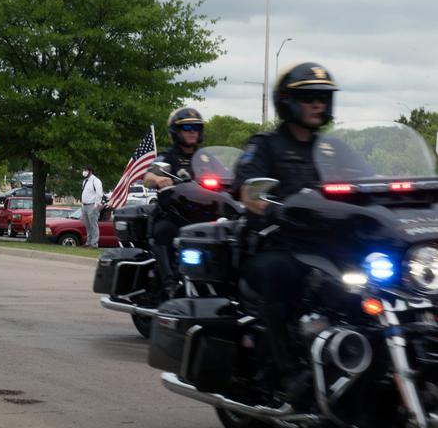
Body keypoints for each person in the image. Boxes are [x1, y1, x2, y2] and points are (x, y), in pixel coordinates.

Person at [231, 61, 339, 402]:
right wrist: (274, 206)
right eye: (308, 97)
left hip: (323, 249)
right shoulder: (265, 146)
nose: (317, 103)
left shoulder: (332, 150)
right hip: (274, 245)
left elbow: (362, 185)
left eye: (323, 96)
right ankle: (288, 370)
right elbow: (246, 190)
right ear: (288, 102)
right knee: (280, 275)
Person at [143, 107, 206, 295]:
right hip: (173, 215)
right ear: (176, 131)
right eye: (187, 127)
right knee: (164, 231)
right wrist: (158, 179)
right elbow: (148, 177)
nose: (192, 131)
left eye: (196, 127)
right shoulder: (168, 156)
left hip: (200, 216)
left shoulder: (204, 158)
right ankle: (170, 283)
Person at [80, 165, 103, 247]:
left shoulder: (96, 181)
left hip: (92, 205)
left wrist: (96, 205)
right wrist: (82, 204)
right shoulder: (85, 181)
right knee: (87, 225)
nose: (84, 171)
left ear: (90, 171)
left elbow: (99, 194)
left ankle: (94, 243)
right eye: (83, 169)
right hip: (85, 206)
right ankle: (88, 242)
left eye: (85, 170)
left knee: (93, 225)